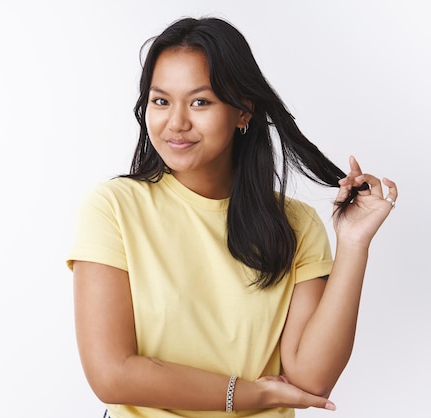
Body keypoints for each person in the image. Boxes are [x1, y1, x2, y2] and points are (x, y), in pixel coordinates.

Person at [66, 16, 397, 418]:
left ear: (243, 112)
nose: (176, 122)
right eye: (161, 100)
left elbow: (311, 380)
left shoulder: (296, 223)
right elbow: (111, 375)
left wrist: (354, 244)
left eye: (200, 101)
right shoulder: (114, 208)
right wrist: (250, 395)